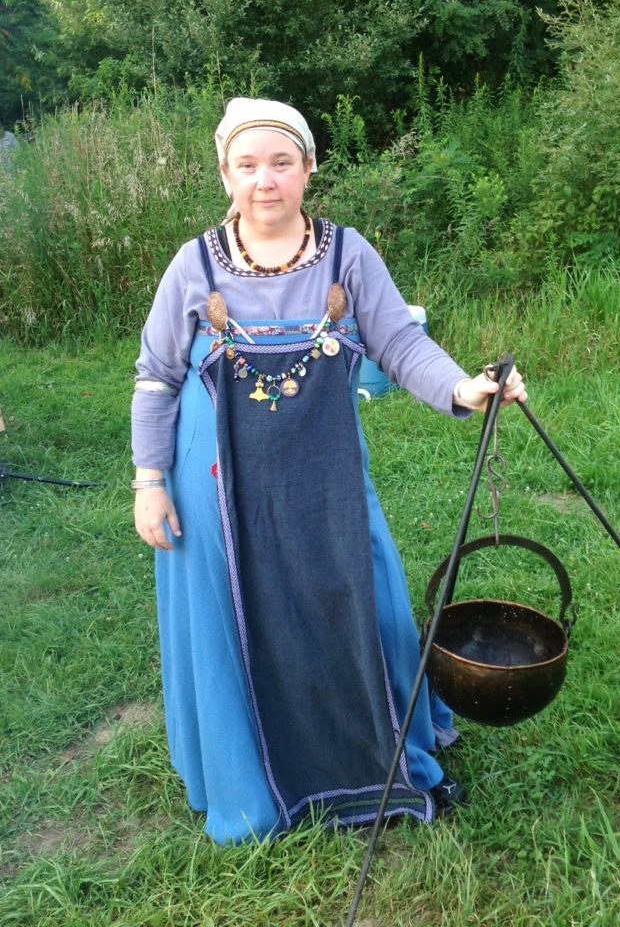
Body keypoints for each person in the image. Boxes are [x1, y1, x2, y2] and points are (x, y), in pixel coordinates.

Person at [131, 98, 528, 844]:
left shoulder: (349, 255)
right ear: (225, 174)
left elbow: (402, 347)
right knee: (236, 621)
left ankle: (388, 756)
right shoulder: (193, 264)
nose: (265, 180)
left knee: (368, 600)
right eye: (247, 165)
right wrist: (148, 482)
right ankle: (252, 783)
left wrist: (463, 389)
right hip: (211, 484)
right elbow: (155, 376)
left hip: (328, 473)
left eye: (282, 162)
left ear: (308, 168)